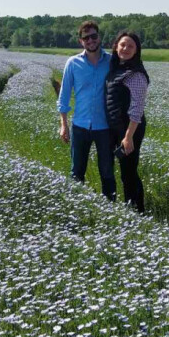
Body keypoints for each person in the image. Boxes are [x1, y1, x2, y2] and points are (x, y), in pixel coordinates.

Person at [58, 21, 116, 202]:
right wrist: (63, 125)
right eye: (86, 38)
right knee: (77, 172)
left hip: (105, 126)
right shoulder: (73, 63)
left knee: (107, 171)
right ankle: (77, 208)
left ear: (99, 37)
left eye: (94, 36)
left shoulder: (111, 61)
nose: (91, 40)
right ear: (80, 41)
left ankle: (111, 211)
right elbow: (64, 96)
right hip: (80, 126)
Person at [105, 32, 149, 213]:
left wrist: (128, 137)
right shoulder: (117, 67)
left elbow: (137, 109)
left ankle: (136, 212)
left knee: (128, 172)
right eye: (123, 45)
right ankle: (132, 209)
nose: (126, 49)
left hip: (130, 130)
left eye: (131, 46)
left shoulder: (136, 74)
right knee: (125, 170)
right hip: (117, 127)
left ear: (137, 50)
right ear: (116, 46)